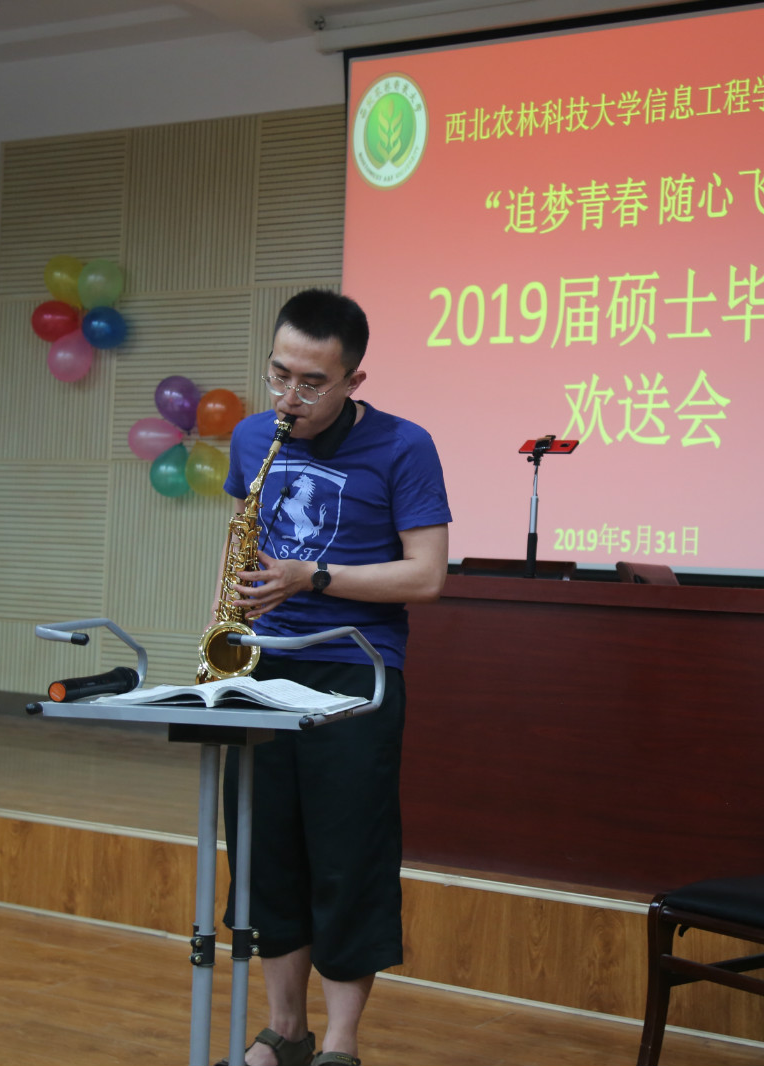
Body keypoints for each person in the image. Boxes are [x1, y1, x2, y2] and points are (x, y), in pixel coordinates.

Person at [219, 289, 451, 1066]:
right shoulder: (252, 438)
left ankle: (342, 1045)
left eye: (312, 383)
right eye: (279, 374)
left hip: (355, 668)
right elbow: (242, 543)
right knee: (265, 853)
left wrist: (312, 577)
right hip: (262, 664)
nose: (289, 397)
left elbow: (426, 576)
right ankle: (284, 1030)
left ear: (354, 380)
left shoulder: (404, 446)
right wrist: (227, 620)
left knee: (348, 858)